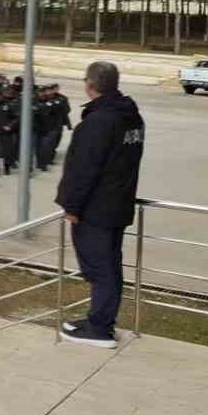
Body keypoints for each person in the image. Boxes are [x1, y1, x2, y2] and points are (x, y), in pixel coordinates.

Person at [56, 61, 144, 348]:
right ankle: (99, 318)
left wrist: (71, 205)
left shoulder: (99, 122)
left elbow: (84, 169)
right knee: (108, 266)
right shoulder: (131, 117)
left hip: (96, 210)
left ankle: (100, 328)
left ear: (89, 85)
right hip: (116, 206)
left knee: (101, 268)